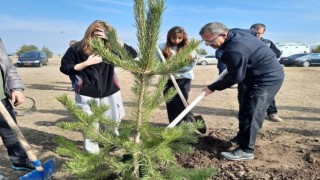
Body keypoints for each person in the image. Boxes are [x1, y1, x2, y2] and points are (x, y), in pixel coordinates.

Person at [199, 22, 284, 161]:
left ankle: (246, 150)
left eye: (210, 41)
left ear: (224, 34)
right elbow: (252, 32)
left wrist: (212, 87)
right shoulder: (236, 31)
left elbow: (235, 77)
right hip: (254, 75)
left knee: (252, 111)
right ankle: (242, 138)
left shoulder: (234, 50)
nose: (208, 44)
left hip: (266, 78)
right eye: (205, 41)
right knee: (245, 108)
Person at [60, 20, 138, 154]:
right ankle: (91, 152)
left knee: (112, 121)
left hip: (111, 91)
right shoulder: (77, 48)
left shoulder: (111, 47)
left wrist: (115, 40)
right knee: (90, 125)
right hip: (86, 93)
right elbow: (65, 67)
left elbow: (132, 55)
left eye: (103, 32)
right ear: (90, 31)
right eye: (96, 32)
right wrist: (86, 63)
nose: (99, 35)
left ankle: (113, 143)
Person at [0, 38, 35, 171]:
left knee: (11, 132)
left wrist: (16, 88)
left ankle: (19, 161)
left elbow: (7, 64)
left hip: (1, 97)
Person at [158, 26, 198, 124]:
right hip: (167, 79)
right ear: (169, 37)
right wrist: (162, 70)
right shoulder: (161, 47)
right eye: (173, 38)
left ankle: (185, 125)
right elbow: (155, 63)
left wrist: (173, 70)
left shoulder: (189, 49)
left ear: (183, 38)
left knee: (181, 102)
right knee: (170, 102)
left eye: (179, 38)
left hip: (184, 79)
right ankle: (173, 124)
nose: (176, 40)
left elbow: (190, 66)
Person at [249, 23, 283, 122]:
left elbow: (277, 53)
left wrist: (265, 52)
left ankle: (272, 113)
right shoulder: (245, 42)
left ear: (263, 33)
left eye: (259, 33)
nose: (257, 35)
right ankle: (248, 113)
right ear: (250, 30)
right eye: (254, 32)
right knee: (245, 93)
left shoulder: (268, 43)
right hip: (249, 73)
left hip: (264, 72)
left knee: (268, 93)